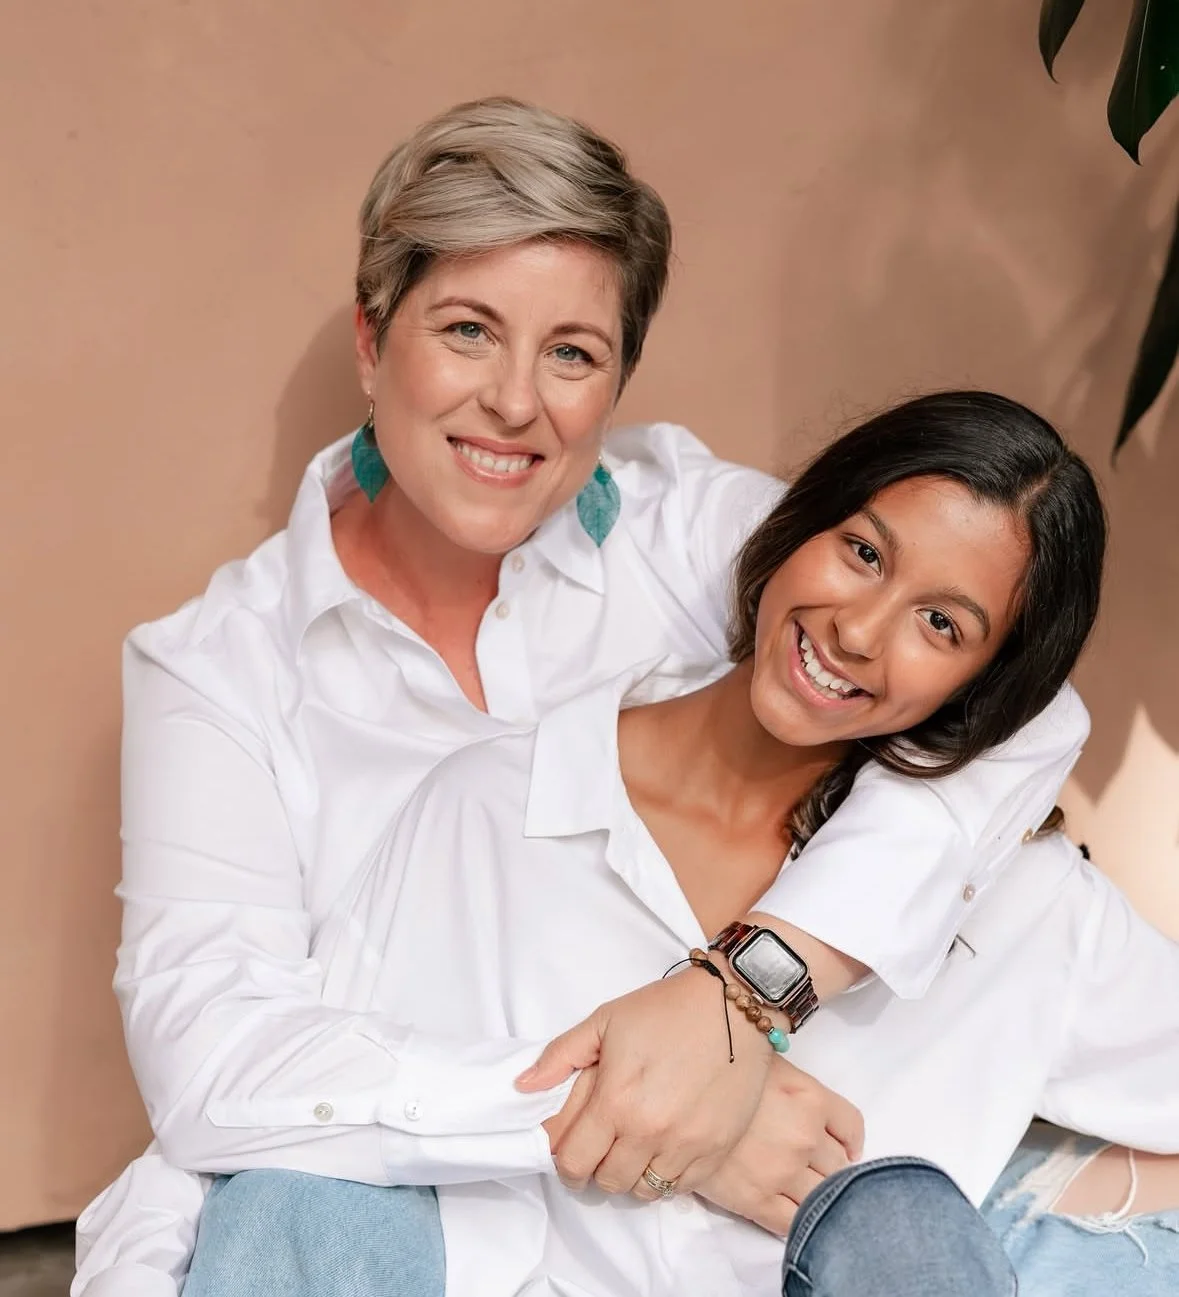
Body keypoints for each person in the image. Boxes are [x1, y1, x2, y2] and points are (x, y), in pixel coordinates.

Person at [72, 102, 1086, 1296]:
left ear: (617, 380)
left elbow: (1016, 713)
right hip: (396, 1225)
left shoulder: (687, 529)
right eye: (467, 330)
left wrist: (746, 988)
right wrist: (648, 1111)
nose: (514, 402)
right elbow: (212, 1060)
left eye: (572, 352)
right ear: (369, 338)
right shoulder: (220, 671)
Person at [186, 390, 1174, 1297]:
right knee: (291, 1203)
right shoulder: (493, 810)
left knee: (898, 1224)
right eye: (865, 553)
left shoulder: (1020, 905)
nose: (860, 629)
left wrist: (1047, 1234)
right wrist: (672, 1120)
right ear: (800, 527)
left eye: (942, 624)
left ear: (983, 684)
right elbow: (308, 1114)